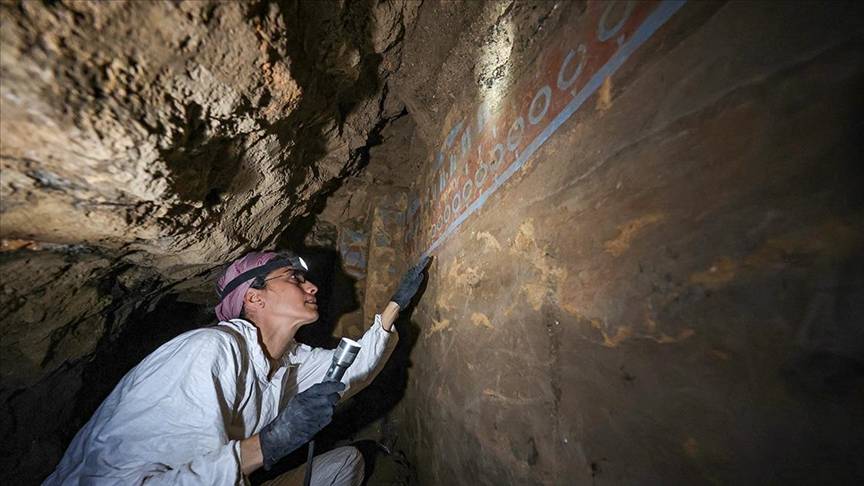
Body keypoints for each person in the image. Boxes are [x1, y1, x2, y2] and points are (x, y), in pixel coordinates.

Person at [45, 250, 430, 485]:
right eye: (295, 278)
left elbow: (354, 367)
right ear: (253, 297)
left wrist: (395, 304)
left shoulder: (289, 360)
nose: (311, 287)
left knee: (345, 464)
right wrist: (269, 443)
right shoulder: (207, 352)